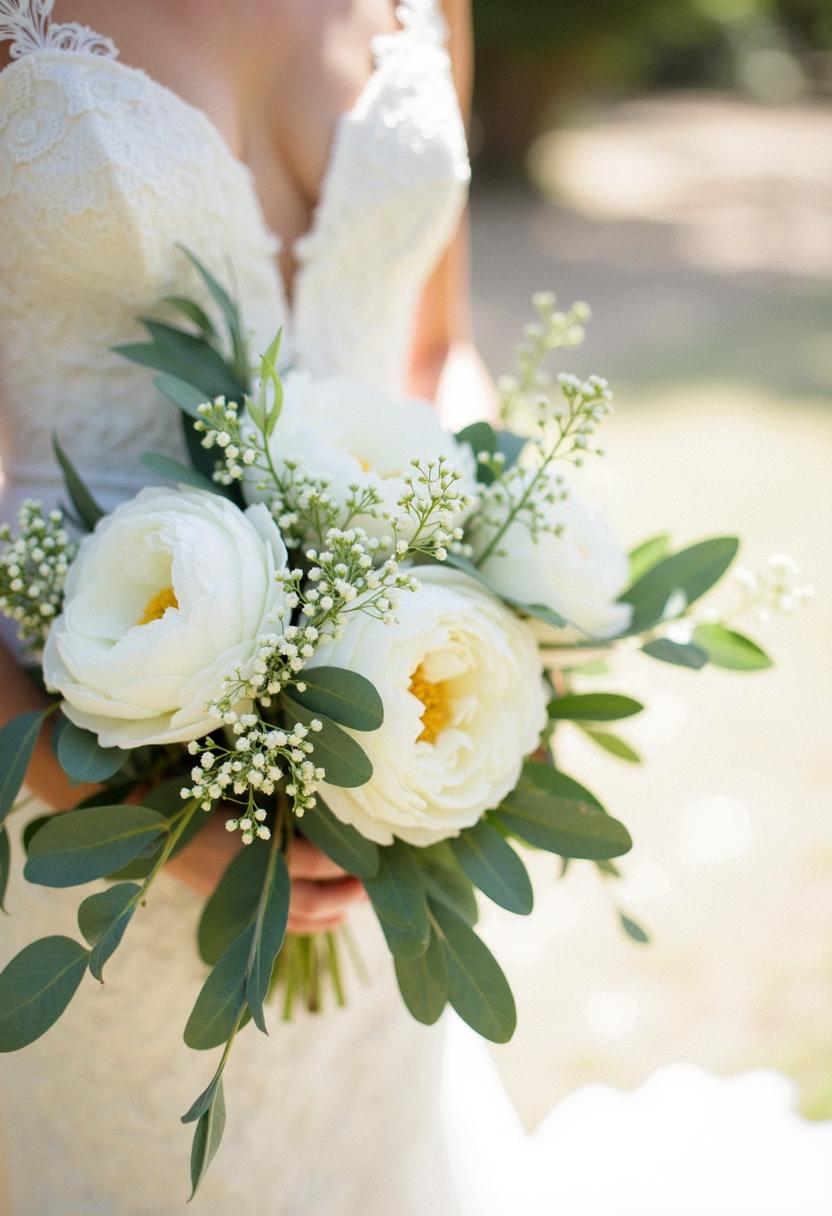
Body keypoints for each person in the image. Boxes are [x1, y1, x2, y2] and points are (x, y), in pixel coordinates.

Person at [0, 1, 491, 1210]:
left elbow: (436, 348)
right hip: (66, 786)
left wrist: (499, 583)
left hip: (380, 770)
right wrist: (152, 817)